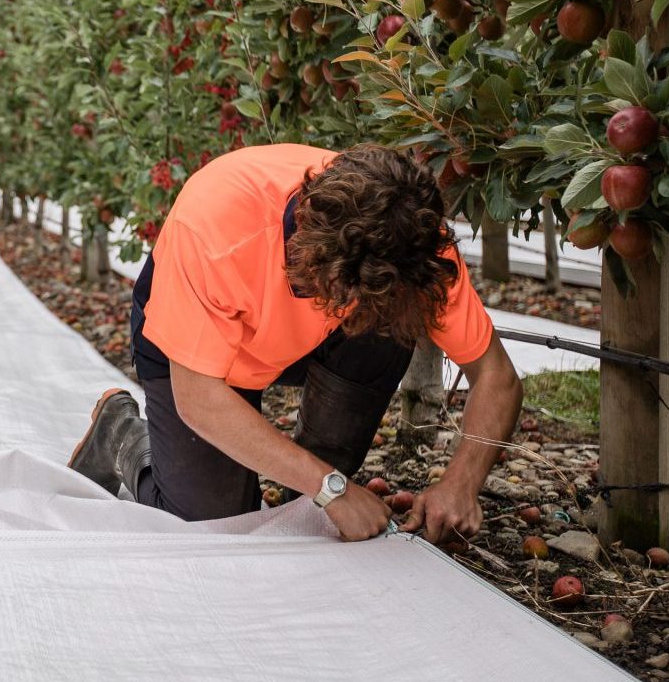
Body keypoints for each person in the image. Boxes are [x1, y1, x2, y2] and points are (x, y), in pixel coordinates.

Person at [68, 143, 522, 543]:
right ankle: (123, 435)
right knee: (212, 521)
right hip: (203, 362)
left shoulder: (416, 245)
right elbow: (199, 399)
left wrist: (461, 483)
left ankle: (306, 491)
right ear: (312, 259)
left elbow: (497, 377)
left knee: (387, 327)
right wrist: (332, 487)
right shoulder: (216, 230)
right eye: (346, 297)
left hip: (306, 344)